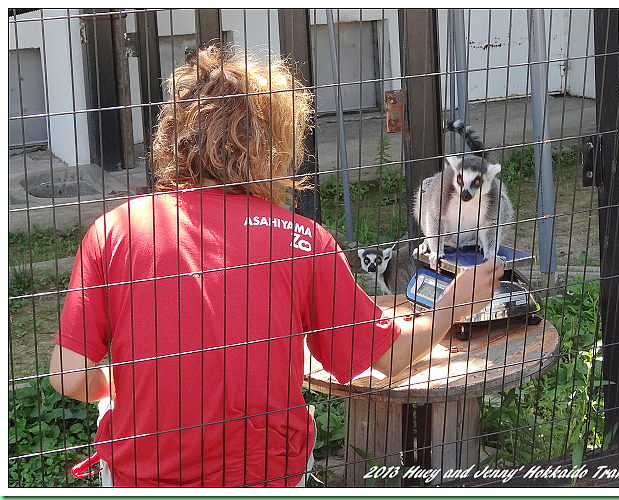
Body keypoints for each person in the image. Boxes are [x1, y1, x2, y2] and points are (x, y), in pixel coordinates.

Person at [50, 46, 503, 487]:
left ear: (174, 134)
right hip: (266, 475)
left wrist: (116, 386)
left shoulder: (115, 230)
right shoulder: (303, 239)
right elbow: (386, 358)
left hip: (143, 477)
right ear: (272, 143)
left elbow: (68, 375)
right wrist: (455, 304)